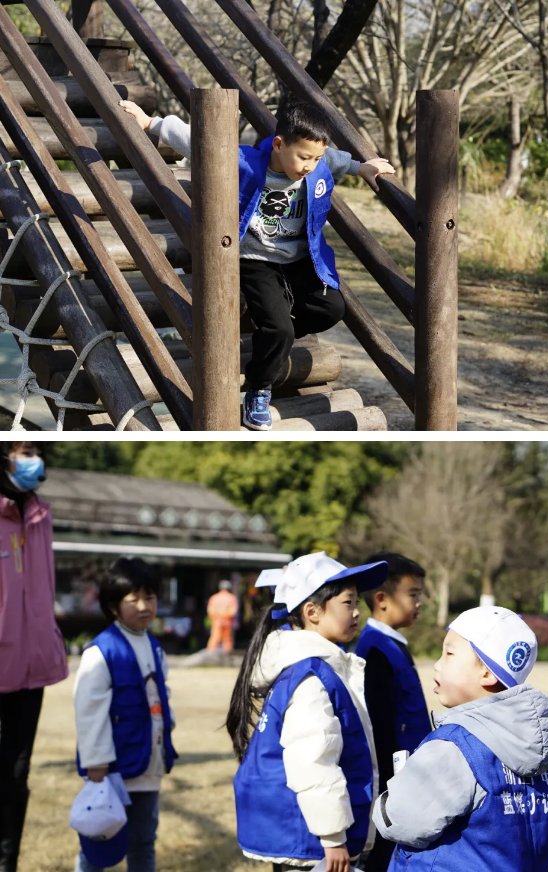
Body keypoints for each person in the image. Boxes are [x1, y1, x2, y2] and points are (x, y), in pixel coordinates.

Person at [119, 97, 395, 431]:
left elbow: (336, 161)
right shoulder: (247, 164)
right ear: (279, 144)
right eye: (304, 157)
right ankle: (258, 389)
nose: (310, 165)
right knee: (280, 328)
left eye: (316, 158)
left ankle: (273, 331)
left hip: (298, 259)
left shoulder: (319, 163)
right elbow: (199, 143)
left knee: (331, 307)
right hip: (255, 259)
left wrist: (363, 167)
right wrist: (151, 123)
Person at [226, 551, 389, 872]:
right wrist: (333, 837)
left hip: (309, 833)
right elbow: (314, 762)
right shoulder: (311, 678)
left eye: (359, 602)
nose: (358, 612)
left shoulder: (317, 666)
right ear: (312, 612)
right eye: (348, 603)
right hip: (313, 839)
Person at [373, 606, 548, 872]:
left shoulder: (454, 747)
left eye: (449, 654)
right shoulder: (535, 751)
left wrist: (387, 800)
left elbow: (401, 820)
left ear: (486, 673)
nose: (438, 664)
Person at [73, 557, 177, 872]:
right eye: (134, 600)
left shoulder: (154, 646)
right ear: (114, 606)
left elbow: (161, 696)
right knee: (99, 840)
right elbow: (89, 712)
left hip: (148, 765)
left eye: (150, 597)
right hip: (114, 768)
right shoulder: (101, 651)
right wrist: (96, 763)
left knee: (144, 840)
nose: (144, 606)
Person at [0, 441, 68, 872]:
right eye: (22, 450)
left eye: (36, 450)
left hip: (33, 664)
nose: (32, 458)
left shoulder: (41, 513)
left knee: (17, 776)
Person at [354, 553, 431, 872]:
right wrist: (392, 785)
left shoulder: (392, 644)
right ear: (382, 599)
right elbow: (379, 726)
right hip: (393, 782)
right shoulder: (374, 649)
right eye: (413, 595)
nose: (419, 603)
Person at [206, 579, 239, 653]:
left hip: (217, 622)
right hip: (227, 622)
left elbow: (210, 611)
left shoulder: (214, 598)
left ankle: (209, 656)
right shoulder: (232, 598)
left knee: (214, 638)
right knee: (227, 640)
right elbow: (233, 612)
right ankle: (227, 657)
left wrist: (218, 617)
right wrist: (224, 616)